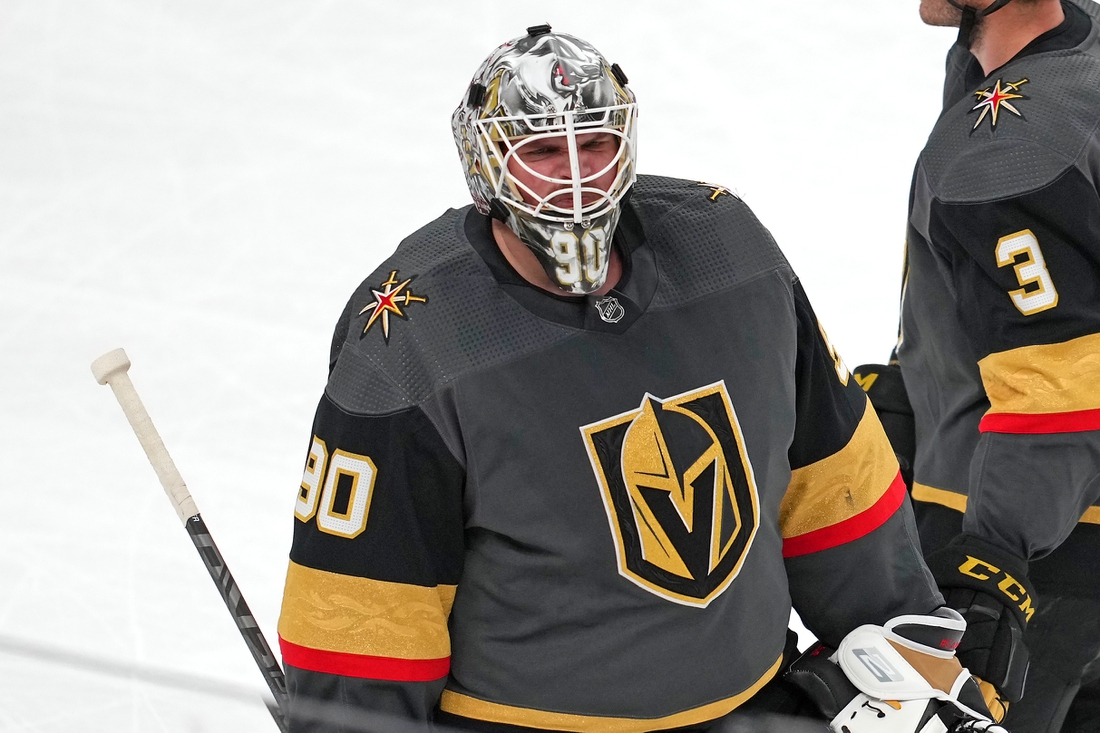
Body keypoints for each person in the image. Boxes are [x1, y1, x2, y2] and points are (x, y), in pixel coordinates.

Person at [276, 26, 1001, 733]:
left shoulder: (732, 253)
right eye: (541, 152)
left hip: (751, 708)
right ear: (486, 162)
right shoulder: (411, 341)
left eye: (594, 143)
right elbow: (364, 627)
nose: (577, 174)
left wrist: (918, 646)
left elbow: (831, 485)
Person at [855, 0, 1100, 730]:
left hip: (1037, 564)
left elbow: (1059, 385)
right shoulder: (1074, 54)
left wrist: (993, 561)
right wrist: (912, 394)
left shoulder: (1008, 143)